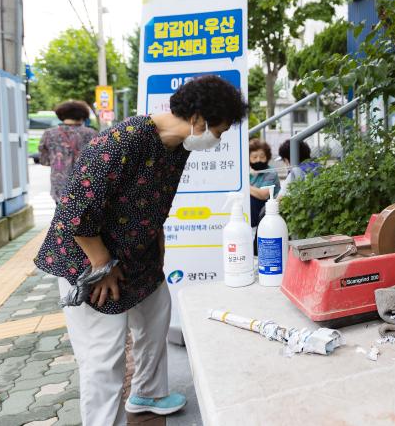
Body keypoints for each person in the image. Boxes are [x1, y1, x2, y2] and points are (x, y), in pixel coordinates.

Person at [34, 75, 248, 425]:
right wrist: (102, 265)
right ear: (198, 119)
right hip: (88, 260)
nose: (218, 139)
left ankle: (147, 393)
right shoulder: (121, 142)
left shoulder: (177, 147)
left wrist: (158, 252)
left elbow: (156, 202)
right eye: (219, 131)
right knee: (104, 355)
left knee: (156, 312)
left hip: (137, 254)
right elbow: (74, 214)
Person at [38, 100, 98, 203]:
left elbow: (44, 161)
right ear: (83, 116)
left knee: (63, 215)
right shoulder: (92, 134)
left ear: (61, 115)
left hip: (60, 184)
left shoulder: (49, 134)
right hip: (86, 183)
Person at [248, 138, 280, 227]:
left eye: (262, 157)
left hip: (269, 209)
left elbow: (263, 195)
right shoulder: (248, 173)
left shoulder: (271, 172)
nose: (258, 160)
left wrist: (244, 185)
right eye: (254, 157)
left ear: (267, 157)